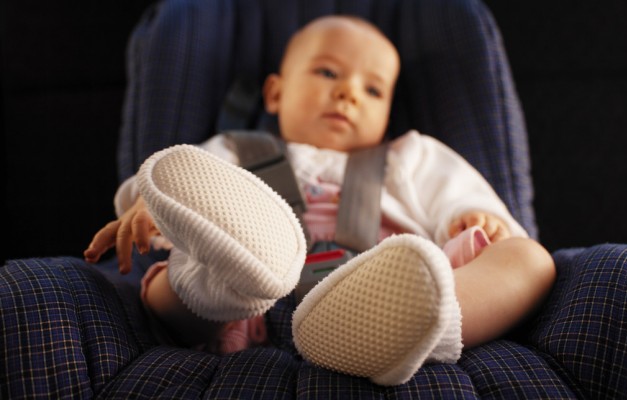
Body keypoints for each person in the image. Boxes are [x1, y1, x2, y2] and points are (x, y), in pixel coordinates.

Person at [84, 15, 556, 386]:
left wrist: (475, 218)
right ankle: (222, 284)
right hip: (248, 304)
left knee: (529, 259)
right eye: (328, 71)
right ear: (275, 93)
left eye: (372, 89)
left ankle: (413, 323)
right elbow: (180, 183)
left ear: (388, 110)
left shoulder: (409, 157)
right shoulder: (236, 149)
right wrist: (156, 209)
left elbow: (462, 195)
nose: (348, 92)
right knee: (181, 273)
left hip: (384, 284)